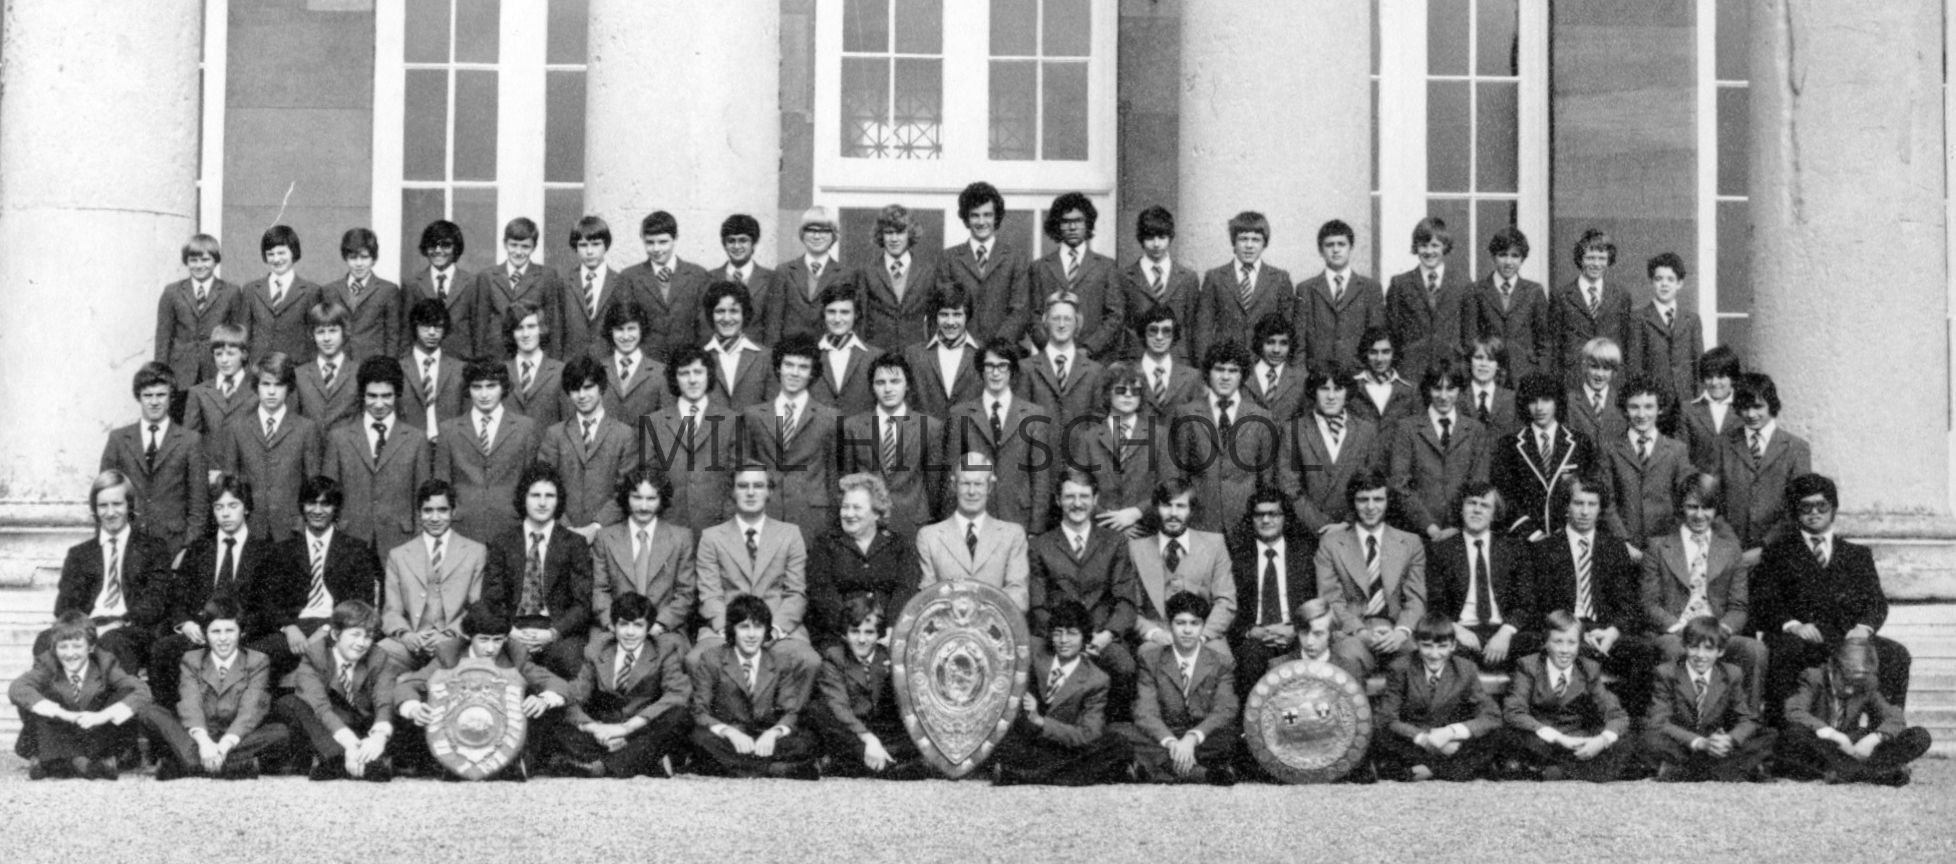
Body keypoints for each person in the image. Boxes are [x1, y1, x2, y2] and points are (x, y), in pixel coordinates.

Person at [1755, 473, 1912, 711]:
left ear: (1833, 509)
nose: (1814, 513)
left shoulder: (1857, 555)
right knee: (1787, 651)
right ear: (1795, 511)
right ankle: (1787, 725)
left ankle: (1886, 726)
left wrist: (1863, 628)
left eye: (1821, 506)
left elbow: (1876, 603)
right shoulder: (1778, 552)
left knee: (1896, 654)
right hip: (1802, 638)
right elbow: (1766, 600)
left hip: (1847, 637)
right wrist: (1793, 625)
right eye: (1806, 507)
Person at [394, 602, 571, 779]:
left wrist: (543, 700)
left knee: (543, 708)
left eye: (497, 640)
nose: (490, 648)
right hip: (456, 730)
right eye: (484, 639)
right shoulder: (449, 653)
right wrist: (413, 708)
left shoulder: (515, 654)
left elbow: (557, 683)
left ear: (506, 638)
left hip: (502, 733)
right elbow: (407, 685)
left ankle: (517, 762)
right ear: (469, 636)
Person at [1529, 473, 1657, 715]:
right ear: (1566, 506)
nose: (1585, 511)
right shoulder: (1544, 549)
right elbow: (1540, 606)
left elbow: (1629, 605)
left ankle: (1626, 723)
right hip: (1565, 631)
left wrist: (1612, 632)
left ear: (1600, 509)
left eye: (1592, 504)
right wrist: (1575, 632)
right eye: (1578, 503)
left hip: (1603, 631)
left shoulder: (1614, 548)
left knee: (1643, 652)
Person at [1641, 471, 1767, 706]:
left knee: (1754, 650)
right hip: (1676, 632)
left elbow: (1738, 606)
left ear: (1715, 509)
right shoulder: (1658, 547)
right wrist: (1679, 629)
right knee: (1672, 650)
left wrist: (1720, 632)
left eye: (1707, 508)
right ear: (1681, 507)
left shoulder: (1730, 549)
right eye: (1692, 507)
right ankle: (1678, 719)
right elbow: (1650, 604)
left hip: (1717, 632)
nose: (1699, 515)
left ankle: (1747, 719)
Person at [152, 474, 273, 712]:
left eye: (233, 505)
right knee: (163, 649)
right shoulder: (199, 549)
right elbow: (178, 595)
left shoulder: (264, 552)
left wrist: (236, 630)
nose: (225, 514)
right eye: (219, 507)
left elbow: (267, 606)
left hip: (242, 634)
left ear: (246, 508)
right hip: (198, 633)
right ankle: (171, 720)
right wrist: (185, 623)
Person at [246, 475, 382, 681]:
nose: (317, 511)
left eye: (325, 504)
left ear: (335, 508)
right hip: (294, 628)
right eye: (311, 503)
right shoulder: (283, 551)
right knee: (250, 659)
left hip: (338, 630)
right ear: (302, 506)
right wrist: (288, 627)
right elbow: (267, 600)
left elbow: (362, 603)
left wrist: (328, 629)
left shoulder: (356, 550)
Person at [1029, 469, 1142, 715]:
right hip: (1058, 638)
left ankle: (1110, 727)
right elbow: (1037, 605)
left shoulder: (1115, 542)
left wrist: (1106, 636)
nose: (1077, 503)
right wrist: (1064, 638)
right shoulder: (1040, 545)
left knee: (1124, 667)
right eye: (1070, 496)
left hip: (1100, 637)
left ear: (1095, 499)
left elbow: (1126, 601)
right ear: (1058, 500)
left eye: (1084, 496)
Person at [690, 466, 822, 674]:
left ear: (769, 491)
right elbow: (710, 595)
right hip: (727, 627)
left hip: (779, 629)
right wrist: (730, 629)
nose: (750, 493)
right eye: (743, 486)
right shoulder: (712, 538)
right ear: (732, 491)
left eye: (758, 486)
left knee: (808, 661)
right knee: (696, 660)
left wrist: (774, 629)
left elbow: (796, 593)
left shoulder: (790, 535)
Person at [45, 471, 173, 684]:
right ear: (95, 510)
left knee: (113, 642)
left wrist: (118, 624)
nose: (111, 512)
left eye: (117, 504)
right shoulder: (80, 554)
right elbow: (64, 607)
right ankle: (60, 705)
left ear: (129, 505)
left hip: (131, 629)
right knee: (44, 642)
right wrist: (86, 631)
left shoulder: (153, 549)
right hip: (87, 628)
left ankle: (109, 704)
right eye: (103, 506)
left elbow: (155, 602)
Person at [992, 599, 1134, 786]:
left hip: (1063, 743)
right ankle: (1070, 773)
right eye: (1058, 633)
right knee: (1005, 738)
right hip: (1028, 740)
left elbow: (1087, 734)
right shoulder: (1034, 649)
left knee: (1118, 744)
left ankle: (1020, 773)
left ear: (1085, 637)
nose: (1063, 640)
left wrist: (1041, 721)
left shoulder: (1097, 679)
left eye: (1072, 634)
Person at [150, 596, 290, 780]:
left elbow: (250, 710)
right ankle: (235, 767)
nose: (223, 639)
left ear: (241, 633)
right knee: (151, 712)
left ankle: (190, 766)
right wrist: (204, 742)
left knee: (280, 732)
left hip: (236, 735)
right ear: (205, 635)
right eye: (215, 631)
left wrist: (223, 746)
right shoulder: (192, 659)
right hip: (200, 734)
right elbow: (190, 703)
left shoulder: (257, 661)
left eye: (230, 631)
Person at [554, 591, 691, 778]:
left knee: (680, 716)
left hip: (640, 730)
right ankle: (643, 762)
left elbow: (677, 694)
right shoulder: (597, 648)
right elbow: (576, 694)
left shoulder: (664, 649)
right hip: (604, 732)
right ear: (613, 626)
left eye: (638, 625)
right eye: (624, 624)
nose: (630, 632)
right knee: (556, 706)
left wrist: (627, 729)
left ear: (648, 628)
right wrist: (594, 728)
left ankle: (604, 766)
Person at [272, 599, 408, 781]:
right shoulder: (315, 654)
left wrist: (379, 737)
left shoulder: (378, 656)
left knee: (400, 704)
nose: (361, 643)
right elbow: (321, 707)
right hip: (331, 725)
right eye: (355, 635)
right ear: (335, 635)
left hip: (364, 722)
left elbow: (384, 700)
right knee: (290, 703)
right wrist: (350, 744)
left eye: (368, 636)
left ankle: (354, 760)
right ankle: (340, 758)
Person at [687, 593, 821, 779]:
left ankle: (733, 767)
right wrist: (729, 732)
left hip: (763, 737)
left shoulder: (780, 660)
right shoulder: (711, 658)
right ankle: (774, 769)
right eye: (744, 627)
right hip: (729, 737)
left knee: (806, 740)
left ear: (766, 630)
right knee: (698, 737)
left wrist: (773, 733)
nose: (751, 635)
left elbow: (791, 711)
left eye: (758, 627)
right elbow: (699, 711)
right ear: (732, 629)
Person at [10, 613, 154, 780]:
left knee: (126, 692)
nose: (70, 654)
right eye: (63, 647)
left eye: (77, 646)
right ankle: (88, 766)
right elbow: (17, 688)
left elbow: (142, 690)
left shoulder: (105, 662)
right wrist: (63, 714)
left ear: (90, 647)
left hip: (93, 730)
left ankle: (55, 763)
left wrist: (102, 716)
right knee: (35, 695)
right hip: (60, 729)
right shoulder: (47, 663)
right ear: (54, 649)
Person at [481, 463, 592, 679]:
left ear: (558, 500)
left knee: (570, 661)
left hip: (557, 629)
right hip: (512, 628)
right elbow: (492, 598)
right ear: (523, 498)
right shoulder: (503, 542)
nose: (542, 503)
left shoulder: (574, 544)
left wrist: (551, 634)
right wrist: (511, 632)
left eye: (549, 496)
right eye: (535, 495)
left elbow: (582, 604)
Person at [1316, 469, 1427, 679]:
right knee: (1347, 658)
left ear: (1387, 501)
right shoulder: (1331, 544)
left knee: (1416, 659)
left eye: (1378, 499)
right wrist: (1362, 632)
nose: (1370, 507)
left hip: (1396, 629)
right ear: (1353, 502)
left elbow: (1415, 599)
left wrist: (1401, 632)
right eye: (1363, 500)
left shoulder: (1410, 543)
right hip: (1353, 632)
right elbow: (1330, 600)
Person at [1120, 591, 1239, 784]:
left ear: (1203, 626)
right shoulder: (1150, 659)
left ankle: (1157, 769)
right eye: (1180, 623)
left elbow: (1224, 710)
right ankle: (1201, 773)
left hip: (1201, 736)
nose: (1187, 630)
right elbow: (1145, 711)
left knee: (1231, 736)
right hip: (1165, 732)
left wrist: (1191, 738)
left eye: (1194, 623)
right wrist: (1171, 743)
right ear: (1169, 625)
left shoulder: (1221, 662)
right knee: (1119, 733)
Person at [1779, 639, 1933, 786]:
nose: (1850, 690)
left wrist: (1874, 739)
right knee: (1794, 736)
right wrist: (1833, 734)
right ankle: (1871, 773)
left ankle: (1853, 772)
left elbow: (1894, 717)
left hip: (1854, 747)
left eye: (1857, 683)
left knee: (1919, 736)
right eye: (1846, 681)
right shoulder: (1814, 677)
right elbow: (1794, 711)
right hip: (1825, 746)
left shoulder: (1867, 683)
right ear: (1833, 668)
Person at [1499, 609, 1629, 782]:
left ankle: (1549, 771)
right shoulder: (1528, 666)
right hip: (1543, 735)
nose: (1565, 650)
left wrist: (1601, 741)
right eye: (1558, 642)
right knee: (1511, 735)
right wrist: (1560, 738)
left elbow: (1615, 713)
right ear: (1546, 642)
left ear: (1579, 645)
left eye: (1571, 643)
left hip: (1576, 736)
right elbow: (1514, 711)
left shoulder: (1588, 668)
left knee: (1621, 740)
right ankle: (1570, 770)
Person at [1642, 616, 1776, 782]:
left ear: (1720, 651)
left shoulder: (1731, 673)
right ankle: (1724, 769)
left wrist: (1729, 739)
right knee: (1650, 736)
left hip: (1716, 740)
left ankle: (1686, 770)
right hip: (1685, 741)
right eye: (1693, 647)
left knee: (1767, 735)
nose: (1700, 655)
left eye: (1708, 649)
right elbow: (1660, 722)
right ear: (1684, 646)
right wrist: (1700, 742)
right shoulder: (1666, 673)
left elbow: (1747, 718)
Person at [1371, 613, 1502, 782]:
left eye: (1442, 647)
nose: (1434, 654)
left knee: (1493, 734)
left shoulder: (1465, 668)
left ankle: (1429, 770)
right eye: (1427, 646)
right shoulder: (1400, 667)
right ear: (1416, 643)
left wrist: (1451, 732)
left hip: (1450, 739)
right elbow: (1387, 718)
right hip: (1415, 738)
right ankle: (1449, 769)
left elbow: (1491, 715)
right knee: (1384, 736)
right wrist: (1426, 740)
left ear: (1453, 646)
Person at [808, 595, 926, 778]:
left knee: (917, 740)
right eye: (855, 632)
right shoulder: (834, 657)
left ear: (879, 635)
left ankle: (860, 763)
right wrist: (869, 739)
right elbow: (839, 707)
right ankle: (886, 766)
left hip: (881, 731)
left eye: (869, 632)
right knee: (819, 711)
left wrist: (893, 677)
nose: (862, 639)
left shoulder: (889, 657)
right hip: (852, 730)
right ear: (845, 634)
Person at [322, 356, 429, 554]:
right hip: (349, 539)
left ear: (397, 395)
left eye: (386, 396)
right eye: (372, 396)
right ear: (362, 395)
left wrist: (419, 545)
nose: (379, 404)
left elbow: (422, 500)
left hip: (401, 542)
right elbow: (328, 498)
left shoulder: (417, 439)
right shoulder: (338, 438)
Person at [1427, 482, 1538, 671]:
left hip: (1504, 631)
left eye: (1485, 505)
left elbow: (1525, 602)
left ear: (1494, 514)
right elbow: (1435, 604)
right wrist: (1457, 630)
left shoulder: (1514, 549)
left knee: (1539, 644)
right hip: (1461, 633)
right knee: (1442, 648)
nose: (1477, 510)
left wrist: (1505, 633)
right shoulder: (1441, 550)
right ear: (1461, 509)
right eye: (1472, 503)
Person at [377, 479, 488, 669]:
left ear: (453, 512)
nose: (435, 518)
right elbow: (391, 610)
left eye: (442, 510)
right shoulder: (398, 555)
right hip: (411, 642)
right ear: (419, 513)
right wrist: (406, 635)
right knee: (377, 655)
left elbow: (476, 608)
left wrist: (447, 635)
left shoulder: (475, 552)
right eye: (428, 510)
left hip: (455, 642)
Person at [100, 362, 209, 555]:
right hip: (128, 544)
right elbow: (103, 495)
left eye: (161, 395)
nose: (154, 402)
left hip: (173, 546)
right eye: (147, 395)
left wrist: (187, 550)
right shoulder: (119, 439)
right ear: (139, 397)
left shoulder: (190, 441)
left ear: (171, 397)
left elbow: (198, 505)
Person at [951, 337, 1056, 534]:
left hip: (1019, 518)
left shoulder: (1034, 415)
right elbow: (953, 473)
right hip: (974, 518)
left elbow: (1041, 478)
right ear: (981, 370)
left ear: (1012, 370)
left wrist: (1036, 529)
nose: (996, 372)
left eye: (1003, 366)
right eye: (989, 366)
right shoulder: (961, 414)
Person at [740, 333, 842, 534]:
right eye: (789, 365)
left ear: (812, 372)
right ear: (778, 367)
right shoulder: (753, 415)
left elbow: (833, 475)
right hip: (766, 513)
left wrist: (832, 522)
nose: (795, 373)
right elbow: (746, 470)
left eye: (803, 367)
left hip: (812, 517)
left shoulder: (830, 418)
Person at [1174, 340, 1278, 534]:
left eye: (1233, 371)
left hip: (1245, 524)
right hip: (1200, 522)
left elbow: (1266, 480)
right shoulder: (1186, 414)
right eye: (1219, 369)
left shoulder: (1262, 417)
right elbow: (1179, 476)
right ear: (1208, 373)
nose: (1225, 377)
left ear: (1242, 375)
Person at [434, 360, 543, 544]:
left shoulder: (525, 428)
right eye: (477, 387)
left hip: (512, 526)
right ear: (468, 389)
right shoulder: (448, 430)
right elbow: (442, 484)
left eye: (491, 386)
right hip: (462, 527)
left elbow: (531, 483)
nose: (484, 394)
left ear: (503, 387)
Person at [840, 352, 948, 537]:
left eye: (895, 381)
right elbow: (847, 480)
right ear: (872, 387)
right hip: (867, 523)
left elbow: (934, 484)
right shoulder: (853, 427)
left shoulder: (930, 427)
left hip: (913, 523)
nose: (888, 389)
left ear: (908, 385)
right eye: (880, 382)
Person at [220, 351, 323, 543]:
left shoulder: (306, 428)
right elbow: (229, 483)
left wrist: (302, 524)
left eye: (279, 385)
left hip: (291, 531)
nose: (272, 392)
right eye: (266, 384)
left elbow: (312, 484)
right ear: (256, 386)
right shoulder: (238, 428)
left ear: (289, 387)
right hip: (249, 529)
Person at [807, 473, 921, 646]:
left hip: (890, 635)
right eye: (845, 507)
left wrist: (892, 629)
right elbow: (823, 593)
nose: (849, 514)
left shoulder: (899, 545)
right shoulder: (825, 544)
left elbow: (906, 590)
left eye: (857, 508)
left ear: (876, 513)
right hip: (840, 636)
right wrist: (852, 631)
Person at [1128, 477, 1236, 656]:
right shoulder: (1135, 549)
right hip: (1158, 638)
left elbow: (1226, 601)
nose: (1173, 513)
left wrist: (1202, 636)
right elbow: (1130, 608)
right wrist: (1153, 633)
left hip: (1205, 635)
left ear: (1191, 510)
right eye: (1166, 505)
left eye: (1180, 506)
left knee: (1221, 660)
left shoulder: (1214, 544)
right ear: (1156, 508)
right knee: (1149, 657)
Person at [1227, 486, 1316, 698]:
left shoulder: (1304, 555)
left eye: (1273, 514)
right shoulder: (1238, 557)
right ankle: (1250, 718)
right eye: (1259, 515)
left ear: (1285, 517)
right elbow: (1229, 607)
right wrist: (1251, 631)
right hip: (1256, 638)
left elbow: (1316, 601)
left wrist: (1296, 629)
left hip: (1296, 634)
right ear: (1251, 519)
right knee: (1250, 657)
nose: (1266, 520)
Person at [1388, 360, 1491, 541]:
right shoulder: (1407, 428)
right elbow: (1399, 484)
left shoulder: (1476, 430)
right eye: (1437, 388)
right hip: (1417, 533)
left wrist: (1457, 527)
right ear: (1427, 389)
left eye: (1450, 389)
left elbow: (1479, 483)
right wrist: (1429, 527)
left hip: (1462, 532)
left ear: (1460, 390)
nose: (1443, 396)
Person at [915, 453, 1032, 611]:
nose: (971, 491)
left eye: (978, 484)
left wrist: (978, 611)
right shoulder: (929, 537)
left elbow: (1019, 596)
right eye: (965, 483)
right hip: (947, 624)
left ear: (989, 487)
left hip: (995, 624)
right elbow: (926, 598)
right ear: (954, 485)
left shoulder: (1012, 535)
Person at [535, 354, 635, 538]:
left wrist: (596, 527)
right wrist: (566, 528)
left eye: (588, 387)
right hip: (561, 534)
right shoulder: (554, 434)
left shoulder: (624, 435)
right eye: (575, 389)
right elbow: (543, 486)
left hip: (608, 535)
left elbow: (626, 491)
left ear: (601, 387)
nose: (581, 395)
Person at [589, 467, 697, 635]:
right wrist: (614, 624)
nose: (644, 506)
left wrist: (660, 624)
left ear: (661, 500)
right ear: (626, 498)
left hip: (663, 631)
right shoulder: (605, 538)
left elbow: (685, 593)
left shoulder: (681, 538)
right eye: (637, 498)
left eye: (651, 498)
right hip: (615, 629)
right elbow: (599, 590)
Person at [1279, 362, 1383, 535]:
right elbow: (1289, 487)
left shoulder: (1367, 431)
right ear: (1313, 391)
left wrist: (1347, 523)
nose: (1331, 396)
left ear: (1348, 392)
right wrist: (1321, 527)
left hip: (1353, 530)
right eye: (1324, 389)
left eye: (1338, 389)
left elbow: (1373, 485)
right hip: (1308, 531)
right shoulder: (1293, 430)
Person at [641, 345, 736, 533]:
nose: (692, 380)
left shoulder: (732, 421)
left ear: (708, 375)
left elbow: (739, 479)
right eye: (684, 373)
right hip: (668, 530)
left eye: (698, 372)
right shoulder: (653, 423)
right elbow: (648, 481)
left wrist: (726, 526)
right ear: (674, 378)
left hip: (718, 530)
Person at [1491, 372, 1596, 538]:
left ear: (1557, 402)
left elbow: (1591, 492)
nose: (1539, 408)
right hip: (1524, 540)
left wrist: (1566, 534)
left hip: (1568, 538)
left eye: (1546, 400)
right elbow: (1505, 497)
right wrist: (1533, 535)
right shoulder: (1509, 445)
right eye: (1533, 401)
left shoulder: (1581, 442)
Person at [1718, 372, 1812, 554]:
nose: (1751, 414)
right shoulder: (1723, 444)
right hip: (1731, 550)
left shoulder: (1796, 448)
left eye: (1758, 407)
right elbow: (1713, 500)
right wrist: (1729, 542)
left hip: (1779, 550)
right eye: (1744, 408)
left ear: (1772, 405)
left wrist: (1766, 546)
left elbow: (1799, 505)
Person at [1069, 363, 1167, 538]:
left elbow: (1169, 486)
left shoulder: (1159, 435)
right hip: (1101, 534)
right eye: (1121, 390)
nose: (1128, 395)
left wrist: (1137, 512)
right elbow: (1076, 488)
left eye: (1135, 391)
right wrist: (1113, 522)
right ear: (1108, 393)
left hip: (1146, 532)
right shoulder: (1088, 438)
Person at [1601, 374, 1693, 557]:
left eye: (1649, 407)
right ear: (1624, 410)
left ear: (1660, 409)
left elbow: (1685, 500)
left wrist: (1671, 542)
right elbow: (1606, 501)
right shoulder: (1610, 450)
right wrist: (1623, 542)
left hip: (1667, 548)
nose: (1642, 415)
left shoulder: (1677, 450)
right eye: (1634, 407)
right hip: (1624, 548)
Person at [1030, 192, 1125, 360]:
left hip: (1094, 361)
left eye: (1078, 221)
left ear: (1088, 223)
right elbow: (1033, 316)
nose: (1072, 227)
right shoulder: (1040, 267)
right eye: (1066, 222)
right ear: (1057, 225)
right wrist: (1051, 349)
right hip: (1051, 360)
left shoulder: (1106, 266)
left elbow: (1115, 315)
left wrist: (1089, 349)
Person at [936, 180, 1031, 345]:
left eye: (987, 215)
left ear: (996, 217)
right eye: (975, 215)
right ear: (966, 218)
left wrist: (997, 347)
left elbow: (1020, 311)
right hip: (961, 349)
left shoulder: (1016, 258)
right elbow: (943, 308)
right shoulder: (949, 258)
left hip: (1004, 351)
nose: (981, 222)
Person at [1193, 211, 1292, 362]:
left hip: (1264, 362)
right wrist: (1206, 366)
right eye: (1243, 239)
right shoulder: (1215, 277)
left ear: (1264, 244)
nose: (1249, 246)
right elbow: (1203, 329)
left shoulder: (1280, 279)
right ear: (1234, 242)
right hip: (1226, 364)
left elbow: (1288, 328)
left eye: (1256, 240)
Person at [1293, 218, 1387, 372]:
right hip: (1317, 376)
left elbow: (1377, 338)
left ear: (1351, 247)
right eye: (1329, 245)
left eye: (1341, 244)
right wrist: (1301, 378)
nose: (1336, 250)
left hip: (1358, 375)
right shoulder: (1306, 289)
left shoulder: (1370, 288)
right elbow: (1299, 344)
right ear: (1320, 250)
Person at [155, 232, 244, 390]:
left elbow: (238, 336)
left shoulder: (231, 292)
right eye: (193, 260)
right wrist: (160, 374)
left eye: (205, 260)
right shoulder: (172, 292)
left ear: (215, 261)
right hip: (180, 371)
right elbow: (163, 336)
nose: (199, 265)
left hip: (216, 369)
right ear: (186, 261)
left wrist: (236, 373)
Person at [620, 209, 710, 364]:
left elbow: (705, 327)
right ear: (642, 239)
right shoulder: (630, 277)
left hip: (687, 363)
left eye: (663, 242)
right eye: (650, 242)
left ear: (675, 238)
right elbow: (625, 324)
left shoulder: (698, 275)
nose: (656, 249)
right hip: (645, 363)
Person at [1461, 225, 1548, 383]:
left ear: (1522, 259)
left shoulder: (1534, 291)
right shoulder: (1476, 291)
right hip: (1488, 374)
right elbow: (1469, 340)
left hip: (1525, 374)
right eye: (1503, 255)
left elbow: (1544, 341)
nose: (1508, 262)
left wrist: (1539, 372)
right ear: (1493, 257)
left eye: (1515, 256)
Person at [1385, 216, 1469, 376]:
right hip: (1411, 369)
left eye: (1435, 245)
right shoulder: (1400, 284)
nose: (1429, 252)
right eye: (1423, 245)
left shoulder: (1462, 283)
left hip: (1451, 369)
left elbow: (1468, 331)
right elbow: (1392, 331)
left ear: (1444, 247)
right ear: (1416, 247)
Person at [1548, 228, 1632, 387]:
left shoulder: (1621, 295)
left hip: (1610, 378)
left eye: (1602, 258)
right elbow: (1555, 345)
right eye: (1590, 258)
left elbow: (1626, 341)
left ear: (1608, 261)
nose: (1596, 264)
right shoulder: (1561, 296)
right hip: (1573, 377)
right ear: (1580, 259)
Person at [473, 216, 563, 362]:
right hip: (497, 357)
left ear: (534, 247)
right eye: (513, 245)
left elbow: (554, 324)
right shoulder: (487, 276)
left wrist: (554, 364)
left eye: (525, 247)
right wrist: (480, 362)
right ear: (505, 244)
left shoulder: (547, 276)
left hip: (532, 355)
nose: (519, 252)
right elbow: (480, 327)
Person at [1119, 205, 1200, 363]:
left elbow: (1192, 325)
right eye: (1150, 238)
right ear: (1141, 239)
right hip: (1137, 360)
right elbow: (1121, 324)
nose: (1156, 244)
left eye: (1162, 237)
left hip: (1177, 360)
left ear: (1170, 237)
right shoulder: (1125, 277)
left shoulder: (1187, 278)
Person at [1624, 252, 1703, 407]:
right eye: (1659, 279)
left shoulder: (1692, 320)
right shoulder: (1638, 319)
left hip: (1686, 400)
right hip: (1654, 401)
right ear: (1651, 282)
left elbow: (1698, 363)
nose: (1664, 284)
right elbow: (1635, 366)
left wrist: (1698, 400)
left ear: (1680, 283)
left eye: (1670, 279)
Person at [769, 206, 854, 344]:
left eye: (824, 231)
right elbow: (773, 321)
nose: (817, 236)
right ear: (802, 233)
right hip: (791, 351)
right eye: (811, 230)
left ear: (833, 235)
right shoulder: (784, 271)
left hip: (828, 350)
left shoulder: (845, 274)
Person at [321, 227, 402, 366]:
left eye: (364, 257)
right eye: (353, 258)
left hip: (374, 366)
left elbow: (392, 336)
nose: (359, 264)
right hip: (339, 364)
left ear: (374, 259)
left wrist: (388, 367)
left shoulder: (388, 290)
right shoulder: (330, 290)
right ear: (345, 258)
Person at [401, 219, 478, 363]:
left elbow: (477, 328)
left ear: (456, 248)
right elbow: (406, 330)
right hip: (424, 360)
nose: (438, 250)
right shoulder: (412, 284)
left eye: (445, 245)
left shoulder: (471, 283)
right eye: (432, 245)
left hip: (461, 360)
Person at [859, 203, 935, 350]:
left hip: (915, 354)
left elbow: (934, 320)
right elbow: (861, 321)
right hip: (878, 354)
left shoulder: (927, 272)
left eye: (900, 232)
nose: (894, 239)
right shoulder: (867, 272)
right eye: (888, 232)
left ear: (910, 234)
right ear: (881, 235)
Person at [900, 283, 983, 419]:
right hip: (925, 430)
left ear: (967, 316)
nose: (950, 322)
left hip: (968, 431)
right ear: (935, 316)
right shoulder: (914, 355)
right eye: (944, 315)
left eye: (957, 315)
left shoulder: (982, 353)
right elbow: (906, 404)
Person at [1021, 297, 1104, 430]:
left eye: (1068, 319)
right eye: (1055, 318)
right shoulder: (1026, 368)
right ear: (1045, 322)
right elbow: (1021, 417)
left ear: (1077, 323)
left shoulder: (1095, 371)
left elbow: (1098, 422)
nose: (1061, 324)